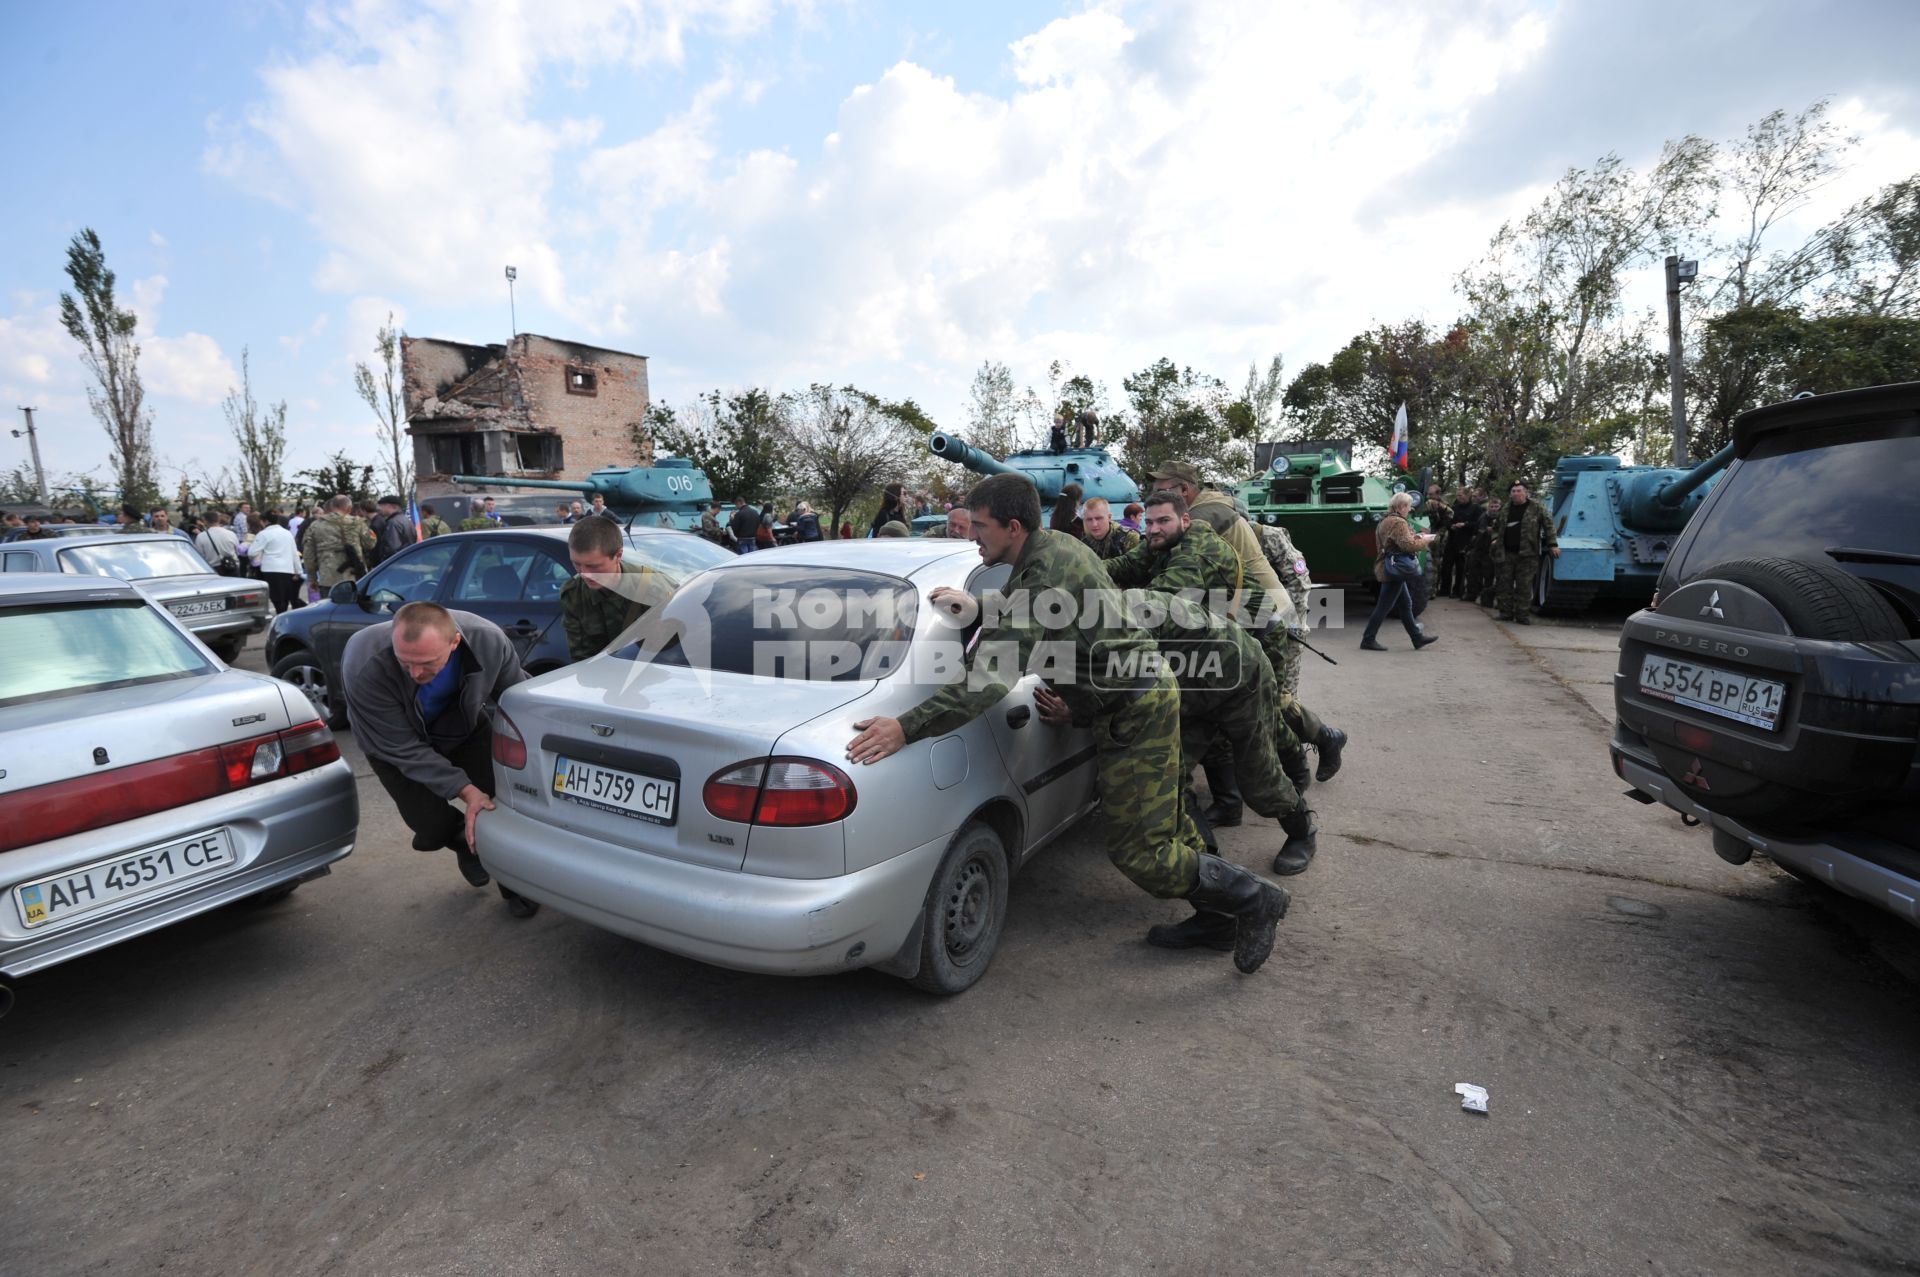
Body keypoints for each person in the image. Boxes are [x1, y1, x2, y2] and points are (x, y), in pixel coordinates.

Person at [845, 472, 1292, 974]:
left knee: (1140, 852)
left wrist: (905, 727)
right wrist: (979, 605)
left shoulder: (1043, 566)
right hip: (1133, 694)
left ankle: (1255, 901)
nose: (973, 537)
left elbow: (991, 677)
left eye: (981, 527)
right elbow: (1041, 603)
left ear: (1014, 527)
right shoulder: (1051, 547)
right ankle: (1216, 919)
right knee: (1166, 824)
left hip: (1134, 706)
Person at [1105, 490, 1318, 873]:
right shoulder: (1158, 544)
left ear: (1184, 521)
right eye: (1149, 522)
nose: (1153, 529)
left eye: (1163, 521)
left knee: (1260, 774)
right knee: (1172, 777)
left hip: (1240, 670)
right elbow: (1122, 565)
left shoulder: (1194, 551)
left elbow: (1159, 599)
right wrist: (1083, 568)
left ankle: (1303, 829)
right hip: (1192, 678)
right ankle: (1214, 869)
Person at [1144, 460, 1347, 791]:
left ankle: (1321, 743)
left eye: (1160, 488)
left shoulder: (1202, 516)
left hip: (1267, 615)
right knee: (1244, 696)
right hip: (1243, 614)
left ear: (1183, 491)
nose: (1153, 493)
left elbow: (1165, 564)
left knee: (1271, 700)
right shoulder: (1205, 508)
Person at [342, 602, 537, 916]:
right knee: (429, 825)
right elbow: (403, 748)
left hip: (464, 728)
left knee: (499, 804)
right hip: (394, 746)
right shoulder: (364, 661)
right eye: (406, 663)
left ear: (454, 643)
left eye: (428, 663)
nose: (417, 673)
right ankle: (462, 842)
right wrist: (466, 790)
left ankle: (514, 883)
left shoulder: (488, 641)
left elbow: (516, 699)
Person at [560, 516, 661, 662]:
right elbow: (582, 659)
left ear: (618, 555)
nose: (584, 574)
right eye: (576, 564)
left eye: (593, 566)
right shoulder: (574, 594)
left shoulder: (654, 588)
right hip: (601, 679)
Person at [1360, 491, 1438, 651]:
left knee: (1405, 604)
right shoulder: (1398, 523)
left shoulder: (1385, 520)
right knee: (1383, 607)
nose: (1409, 510)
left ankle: (1417, 638)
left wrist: (1415, 537)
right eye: (1408, 507)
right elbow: (1407, 546)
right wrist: (1425, 541)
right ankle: (1368, 639)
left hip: (1390, 567)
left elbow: (1395, 542)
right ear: (1402, 507)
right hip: (1395, 569)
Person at [1487, 480, 1560, 623]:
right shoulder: (1506, 508)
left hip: (1527, 554)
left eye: (1519, 490)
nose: (1516, 494)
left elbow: (1549, 525)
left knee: (1524, 585)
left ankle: (1522, 615)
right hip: (1506, 553)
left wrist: (1552, 544)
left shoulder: (1537, 508)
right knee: (1504, 584)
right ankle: (1505, 613)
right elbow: (1496, 527)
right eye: (1513, 491)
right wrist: (1494, 539)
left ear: (1525, 492)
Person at [302, 494, 370, 593]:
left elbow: (309, 555)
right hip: (355, 577)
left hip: (328, 579)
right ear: (349, 508)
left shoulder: (315, 526)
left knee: (329, 607)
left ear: (332, 506)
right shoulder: (357, 523)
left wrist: (312, 578)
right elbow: (370, 543)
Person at [249, 514, 302, 614]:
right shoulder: (287, 533)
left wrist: (260, 557)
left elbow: (252, 553)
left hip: (270, 569)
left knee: (276, 598)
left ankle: (279, 616)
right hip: (287, 569)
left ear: (266, 521)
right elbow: (294, 553)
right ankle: (284, 615)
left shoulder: (263, 534)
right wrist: (298, 571)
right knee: (285, 598)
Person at [1441, 486, 1482, 599]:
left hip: (1465, 541)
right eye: (1457, 496)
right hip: (1452, 540)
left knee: (1461, 568)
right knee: (1446, 566)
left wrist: (1465, 525)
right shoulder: (1455, 507)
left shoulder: (1476, 508)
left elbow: (1478, 524)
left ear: (1468, 495)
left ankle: (1457, 591)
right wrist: (1451, 526)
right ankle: (1444, 589)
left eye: (1461, 495)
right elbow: (1448, 521)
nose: (1459, 498)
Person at [369, 495, 415, 566]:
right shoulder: (406, 520)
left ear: (391, 506)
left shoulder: (393, 523)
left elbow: (391, 549)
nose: (380, 509)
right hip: (408, 561)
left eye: (382, 506)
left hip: (397, 565)